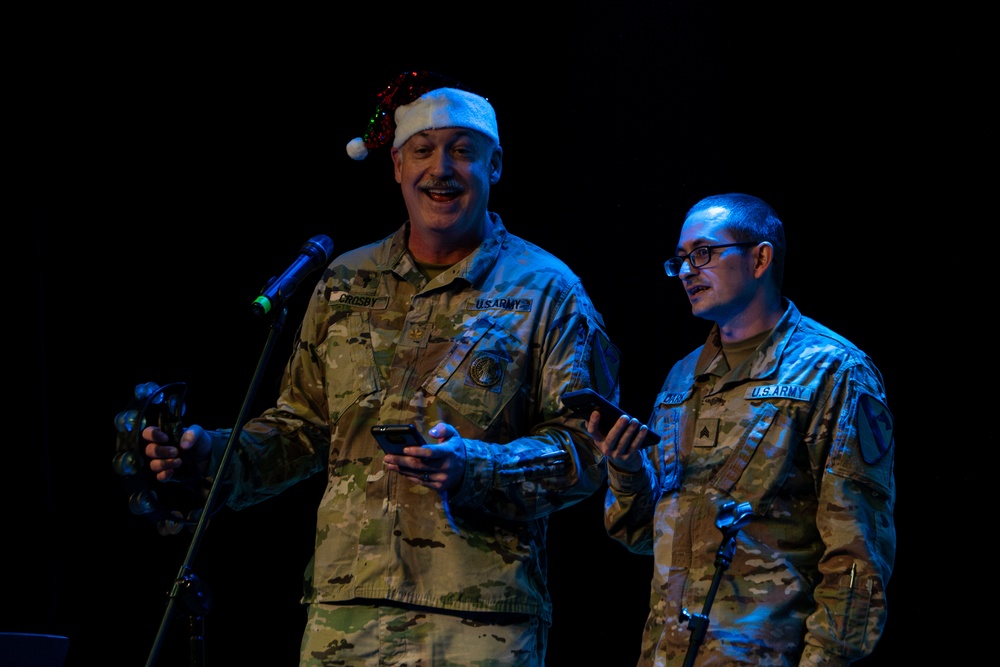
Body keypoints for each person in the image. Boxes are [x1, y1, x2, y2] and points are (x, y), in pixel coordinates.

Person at [140, 70, 621, 666]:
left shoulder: (549, 289)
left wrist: (474, 466)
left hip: (477, 619)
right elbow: (301, 429)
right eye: (422, 151)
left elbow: (589, 449)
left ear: (493, 168)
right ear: (396, 166)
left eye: (462, 152)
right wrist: (210, 456)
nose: (440, 169)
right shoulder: (344, 280)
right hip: (345, 613)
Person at [587, 193, 895, 666]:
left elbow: (856, 558)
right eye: (681, 259)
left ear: (760, 258)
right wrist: (626, 469)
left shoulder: (833, 371)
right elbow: (644, 536)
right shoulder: (682, 379)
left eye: (703, 253)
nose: (687, 271)